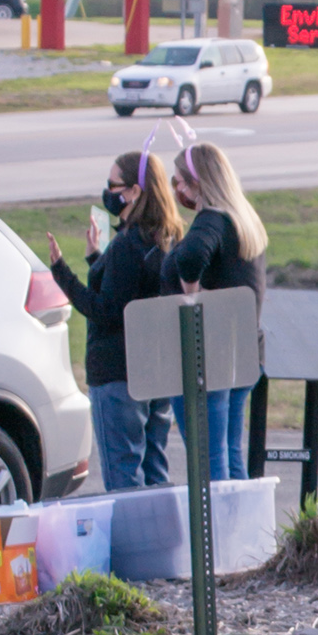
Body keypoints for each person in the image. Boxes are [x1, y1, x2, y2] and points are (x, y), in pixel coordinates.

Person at [47, 148, 182, 490]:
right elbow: (132, 293)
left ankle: (133, 544)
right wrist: (97, 259)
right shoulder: (168, 237)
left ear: (135, 191)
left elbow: (107, 311)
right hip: (159, 373)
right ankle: (162, 543)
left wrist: (62, 273)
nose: (107, 193)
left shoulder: (127, 244)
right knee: (155, 472)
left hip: (119, 375)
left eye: (113, 185)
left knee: (124, 477)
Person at [161, 138, 267, 480]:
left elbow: (191, 257)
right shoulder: (243, 218)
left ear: (198, 183)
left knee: (209, 458)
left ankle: (215, 532)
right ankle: (239, 530)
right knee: (231, 454)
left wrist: (193, 293)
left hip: (212, 354)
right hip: (244, 351)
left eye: (178, 181)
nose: (176, 190)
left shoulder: (211, 220)